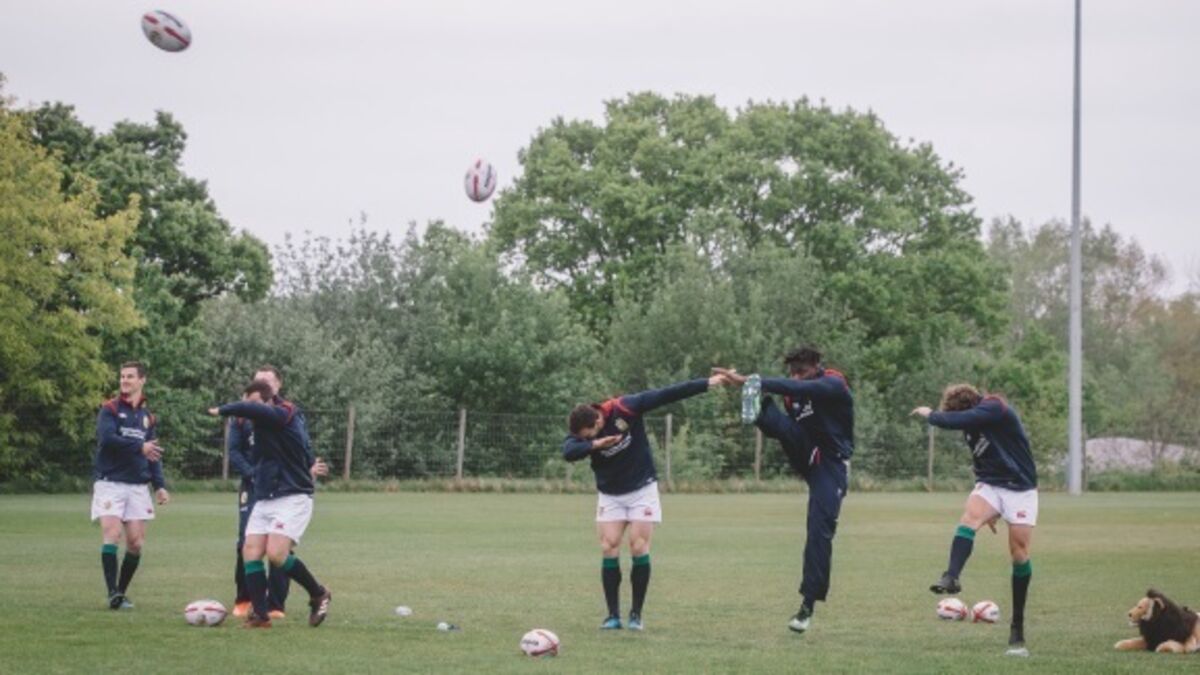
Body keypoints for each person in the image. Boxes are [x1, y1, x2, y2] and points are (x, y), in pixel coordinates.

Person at [562, 373, 726, 631]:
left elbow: (668, 393)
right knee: (608, 546)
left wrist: (706, 383)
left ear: (599, 419)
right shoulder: (583, 430)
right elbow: (568, 452)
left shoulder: (625, 407)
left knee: (638, 546)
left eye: (589, 434)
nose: (585, 438)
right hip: (610, 493)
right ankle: (612, 616)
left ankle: (636, 615)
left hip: (641, 489)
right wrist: (595, 443)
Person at [713, 346, 853, 634]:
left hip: (831, 463)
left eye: (801, 372)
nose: (796, 378)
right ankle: (757, 410)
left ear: (816, 366)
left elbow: (800, 387)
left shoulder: (833, 382)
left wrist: (753, 381)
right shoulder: (792, 396)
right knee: (783, 426)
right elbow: (792, 394)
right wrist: (751, 384)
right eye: (792, 373)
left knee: (819, 530)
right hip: (805, 453)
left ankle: (807, 606)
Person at [912, 383, 1038, 657]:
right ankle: (951, 577)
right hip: (991, 485)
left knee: (1019, 554)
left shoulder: (994, 405)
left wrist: (931, 415)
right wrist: (991, 509)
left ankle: (1017, 625)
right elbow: (982, 460)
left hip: (1021, 489)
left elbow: (964, 419)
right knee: (969, 518)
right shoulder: (972, 426)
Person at [209, 380, 331, 628]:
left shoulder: (285, 413)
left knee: (276, 554)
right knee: (250, 551)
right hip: (266, 497)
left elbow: (257, 412)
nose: (250, 409)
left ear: (269, 401)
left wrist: (224, 409)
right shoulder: (253, 425)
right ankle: (261, 616)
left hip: (293, 495)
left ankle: (318, 593)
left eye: (254, 403)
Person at [91, 361, 170, 610]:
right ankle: (112, 593)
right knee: (112, 534)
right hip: (110, 483)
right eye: (122, 376)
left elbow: (153, 453)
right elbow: (107, 439)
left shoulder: (148, 417)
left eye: (130, 376)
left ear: (142, 380)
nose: (124, 380)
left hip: (137, 486)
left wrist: (159, 485)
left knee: (135, 543)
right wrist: (139, 446)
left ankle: (121, 592)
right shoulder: (110, 409)